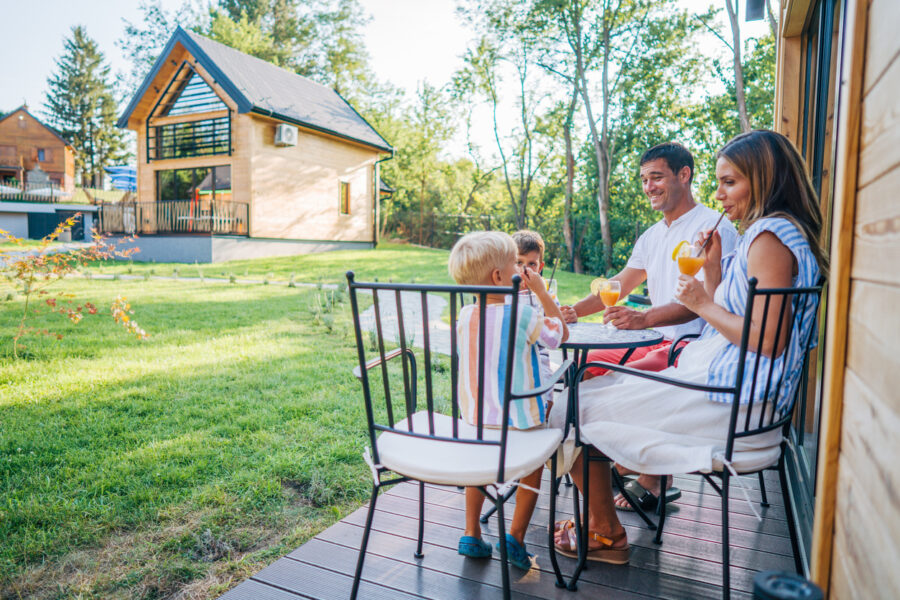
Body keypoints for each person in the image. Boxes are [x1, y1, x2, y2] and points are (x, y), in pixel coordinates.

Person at [551, 130, 828, 564]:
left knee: (567, 408)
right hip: (730, 387)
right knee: (580, 397)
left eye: (730, 182)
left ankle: (606, 531)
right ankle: (608, 517)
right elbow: (735, 315)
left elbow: (768, 341)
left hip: (731, 402)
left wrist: (698, 302)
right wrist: (714, 271)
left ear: (766, 179)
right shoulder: (772, 234)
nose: (719, 194)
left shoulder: (769, 237)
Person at [561, 142, 738, 510]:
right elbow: (620, 284)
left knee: (615, 382)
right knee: (582, 367)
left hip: (688, 345)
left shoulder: (713, 228)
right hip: (652, 337)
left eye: (656, 177)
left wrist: (645, 318)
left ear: (684, 175)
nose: (648, 187)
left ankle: (651, 473)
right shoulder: (653, 234)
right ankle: (614, 461)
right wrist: (574, 311)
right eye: (644, 179)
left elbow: (708, 300)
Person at [447, 231, 569, 571]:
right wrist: (542, 293)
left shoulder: (465, 316)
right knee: (534, 465)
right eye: (515, 265)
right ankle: (514, 537)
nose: (521, 270)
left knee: (479, 467)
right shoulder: (523, 315)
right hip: (522, 423)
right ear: (499, 276)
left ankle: (471, 533)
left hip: (478, 421)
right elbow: (560, 335)